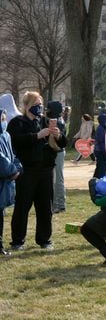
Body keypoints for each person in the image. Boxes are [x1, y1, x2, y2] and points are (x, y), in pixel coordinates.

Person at [7, 91, 66, 250]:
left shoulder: (46, 121)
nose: (39, 108)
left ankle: (44, 239)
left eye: (40, 105)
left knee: (45, 207)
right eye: (35, 105)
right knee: (22, 206)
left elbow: (63, 143)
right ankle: (18, 240)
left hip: (46, 170)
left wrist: (58, 135)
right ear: (26, 106)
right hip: (27, 171)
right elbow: (17, 141)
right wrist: (37, 136)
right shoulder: (17, 122)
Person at [0, 106, 23, 256]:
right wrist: (12, 171)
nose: (4, 121)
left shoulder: (6, 135)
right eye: (1, 118)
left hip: (6, 181)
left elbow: (13, 154)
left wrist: (17, 168)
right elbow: (1, 160)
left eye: (4, 118)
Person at [47, 101, 67, 214]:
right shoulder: (56, 119)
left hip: (58, 152)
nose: (47, 111)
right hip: (55, 152)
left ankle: (60, 204)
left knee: (58, 179)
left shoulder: (58, 121)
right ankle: (55, 203)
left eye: (49, 109)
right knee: (53, 179)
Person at [93, 110, 106, 179]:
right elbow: (101, 142)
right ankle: (101, 180)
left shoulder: (105, 128)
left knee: (99, 167)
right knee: (102, 168)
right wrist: (105, 153)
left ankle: (94, 179)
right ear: (103, 121)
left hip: (102, 151)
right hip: (100, 151)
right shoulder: (101, 129)